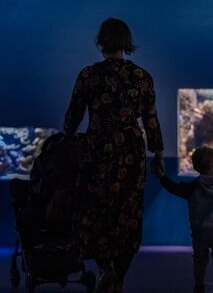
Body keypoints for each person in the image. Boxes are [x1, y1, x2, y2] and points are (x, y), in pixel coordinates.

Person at [63, 18, 164, 293]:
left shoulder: (89, 75)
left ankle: (106, 268)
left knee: (92, 212)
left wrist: (68, 137)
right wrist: (158, 152)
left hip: (98, 149)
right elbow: (151, 120)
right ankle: (117, 277)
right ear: (127, 42)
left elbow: (72, 118)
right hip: (133, 152)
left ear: (101, 42)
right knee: (128, 216)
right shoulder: (143, 77)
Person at [151, 145, 213, 293]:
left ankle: (199, 284)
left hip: (200, 231)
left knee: (200, 259)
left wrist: (162, 177)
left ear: (195, 167)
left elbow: (176, 189)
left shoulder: (194, 186)